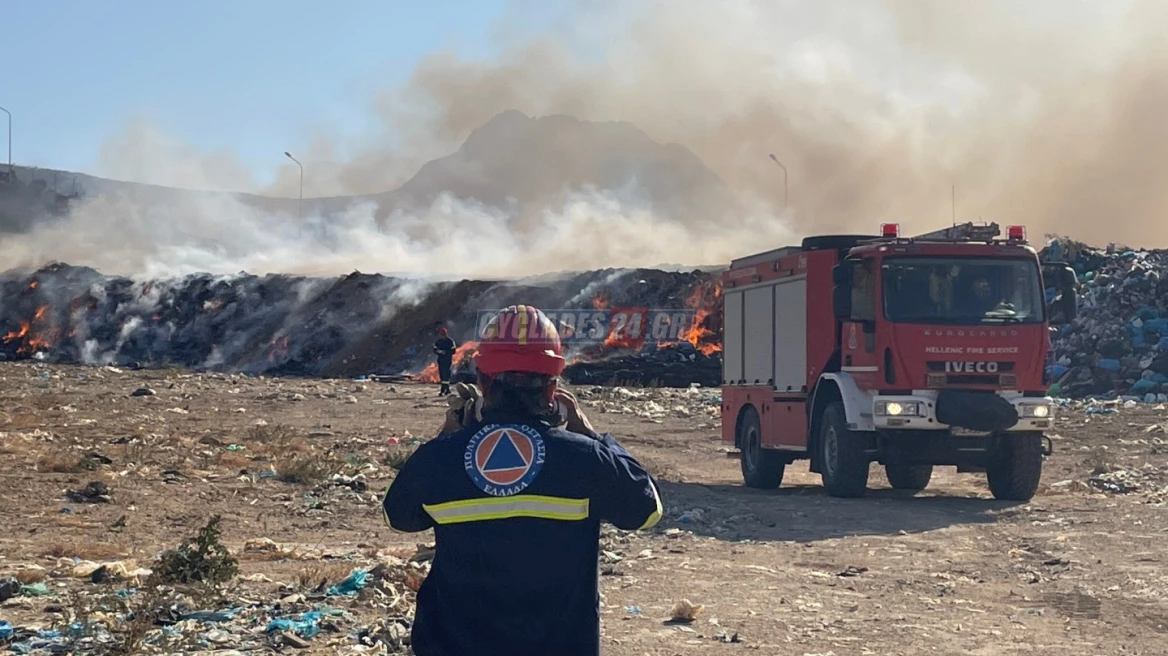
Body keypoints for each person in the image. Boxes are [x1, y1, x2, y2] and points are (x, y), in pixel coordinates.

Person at [382, 304, 663, 656]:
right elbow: (646, 511)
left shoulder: (440, 458)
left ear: (483, 381)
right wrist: (592, 435)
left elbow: (398, 516)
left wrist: (446, 437)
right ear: (552, 388)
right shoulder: (585, 458)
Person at [432, 325, 456, 396]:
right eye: (442, 335)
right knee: (442, 375)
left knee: (446, 375)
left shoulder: (450, 341)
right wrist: (439, 352)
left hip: (447, 360)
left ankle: (443, 390)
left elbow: (453, 350)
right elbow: (434, 350)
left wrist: (446, 352)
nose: (442, 336)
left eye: (443, 335)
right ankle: (447, 389)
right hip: (441, 360)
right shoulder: (438, 342)